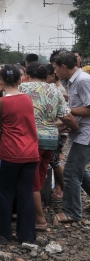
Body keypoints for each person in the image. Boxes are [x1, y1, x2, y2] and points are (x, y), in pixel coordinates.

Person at [19, 62, 79, 231]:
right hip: (51, 141)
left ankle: (39, 220)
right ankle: (33, 210)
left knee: (31, 181)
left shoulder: (22, 88)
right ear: (47, 75)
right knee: (40, 176)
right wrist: (76, 128)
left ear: (27, 75)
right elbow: (66, 116)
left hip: (31, 141)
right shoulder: (54, 90)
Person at [0, 65, 39, 245]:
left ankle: (3, 233)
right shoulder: (27, 99)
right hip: (31, 153)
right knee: (26, 192)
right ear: (20, 80)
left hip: (10, 154)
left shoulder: (0, 102)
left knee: (6, 191)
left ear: (0, 81)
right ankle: (27, 235)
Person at [51, 50, 90, 223]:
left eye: (56, 68)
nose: (55, 73)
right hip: (81, 132)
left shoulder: (82, 81)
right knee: (81, 171)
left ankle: (72, 212)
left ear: (64, 66)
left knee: (71, 174)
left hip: (86, 135)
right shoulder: (73, 82)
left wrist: (64, 110)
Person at [44, 64, 68, 201]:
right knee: (55, 161)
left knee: (55, 161)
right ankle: (61, 189)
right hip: (57, 130)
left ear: (52, 76)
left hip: (58, 130)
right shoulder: (57, 88)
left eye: (45, 77)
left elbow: (64, 115)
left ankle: (67, 191)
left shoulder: (57, 90)